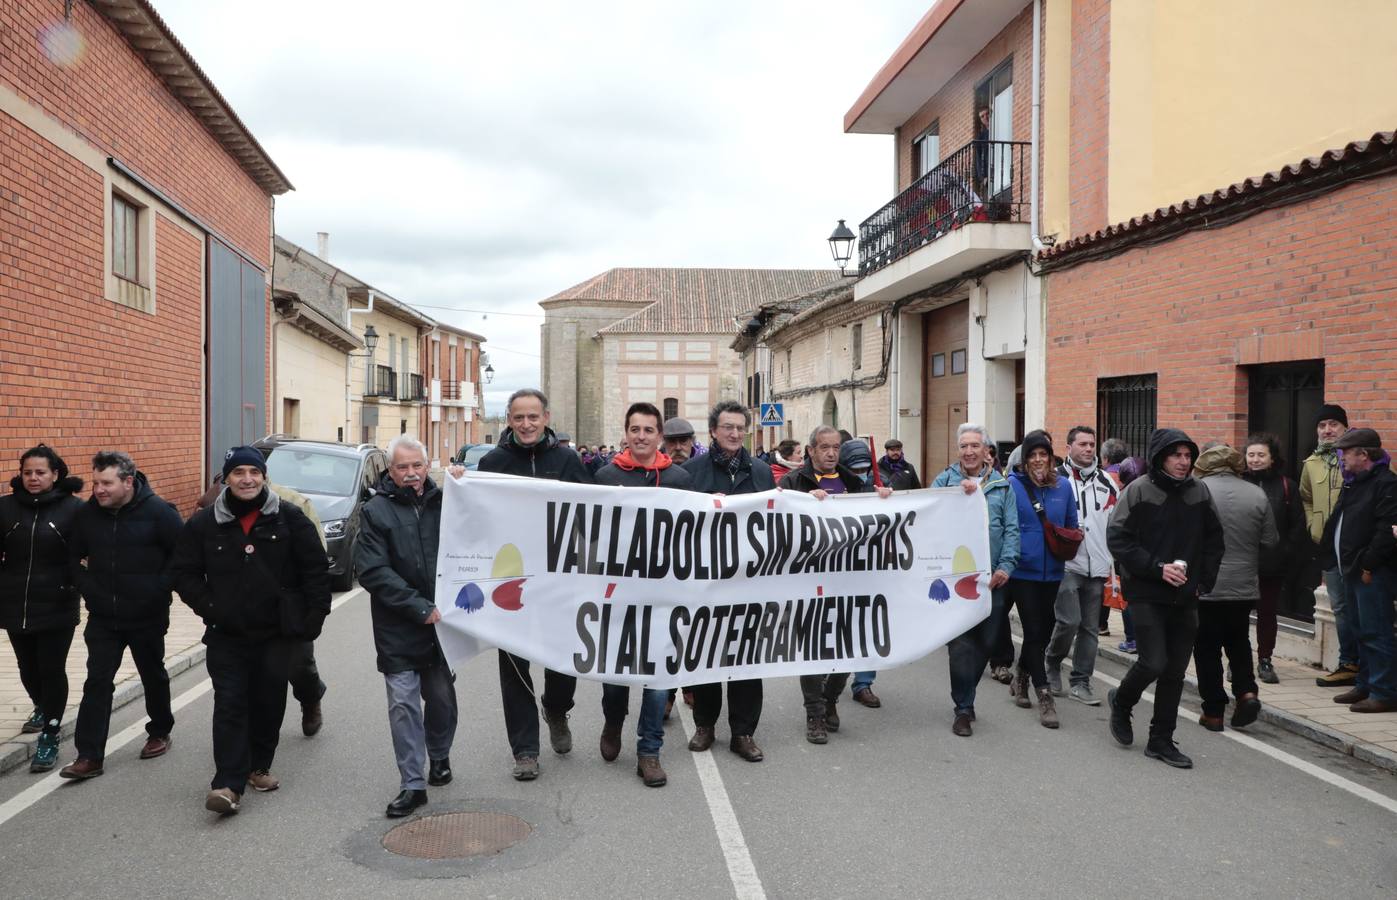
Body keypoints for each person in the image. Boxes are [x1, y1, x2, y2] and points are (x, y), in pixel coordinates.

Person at [171, 446, 331, 815]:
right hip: (226, 633)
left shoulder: (289, 518)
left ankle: (259, 766)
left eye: (253, 472)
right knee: (229, 702)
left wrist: (313, 618)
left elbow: (315, 570)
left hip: (276, 633)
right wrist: (211, 608)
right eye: (238, 472)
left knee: (267, 700)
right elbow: (183, 573)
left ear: (263, 477)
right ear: (226, 478)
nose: (247, 479)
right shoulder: (204, 523)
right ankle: (227, 782)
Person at [479, 388, 590, 781]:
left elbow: (590, 517)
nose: (526, 424)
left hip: (560, 583)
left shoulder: (568, 459)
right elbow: (475, 516)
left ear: (546, 417)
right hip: (511, 581)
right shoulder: (493, 462)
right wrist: (459, 483)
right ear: (509, 420)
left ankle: (557, 708)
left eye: (533, 417)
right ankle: (525, 750)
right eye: (518, 417)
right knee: (514, 667)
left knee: (564, 659)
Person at [59, 451, 183, 781]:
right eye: (96, 482)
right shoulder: (88, 515)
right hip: (103, 616)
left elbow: (181, 557)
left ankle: (159, 730)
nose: (98, 489)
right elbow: (73, 557)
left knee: (152, 673)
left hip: (147, 614)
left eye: (106, 483)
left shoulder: (160, 513)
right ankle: (89, 756)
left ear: (128, 482)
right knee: (97, 681)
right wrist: (87, 587)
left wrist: (158, 589)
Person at [1106, 428, 1224, 769]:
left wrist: (1205, 581)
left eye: (1188, 456)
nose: (1183, 462)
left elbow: (1215, 540)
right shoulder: (1138, 490)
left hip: (1186, 594)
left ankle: (1160, 739)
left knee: (1174, 671)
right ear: (1160, 457)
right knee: (1153, 662)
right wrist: (1157, 569)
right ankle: (1123, 702)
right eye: (1176, 456)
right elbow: (1118, 539)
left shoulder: (1199, 492)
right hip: (1145, 590)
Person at [355, 436, 461, 816]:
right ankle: (412, 784)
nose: (412, 473)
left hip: (441, 628)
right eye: (403, 467)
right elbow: (371, 570)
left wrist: (466, 484)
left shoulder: (447, 501)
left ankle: (440, 755)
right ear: (391, 469)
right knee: (403, 704)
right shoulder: (375, 511)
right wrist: (418, 607)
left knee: (442, 701)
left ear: (426, 464)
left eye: (417, 465)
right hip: (398, 625)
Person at [594, 402, 694, 787]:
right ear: (626, 432)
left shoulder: (680, 479)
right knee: (615, 676)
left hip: (665, 596)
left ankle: (649, 752)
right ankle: (613, 721)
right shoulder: (605, 476)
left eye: (648, 430)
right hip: (618, 595)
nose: (641, 436)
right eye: (634, 429)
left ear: (659, 436)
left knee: (659, 676)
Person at [778, 427, 893, 743]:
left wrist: (882, 500)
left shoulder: (856, 484)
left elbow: (876, 520)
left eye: (836, 448)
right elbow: (781, 524)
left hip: (849, 581)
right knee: (813, 649)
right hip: (809, 581)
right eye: (824, 448)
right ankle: (814, 713)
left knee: (848, 646)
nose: (831, 453)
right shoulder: (793, 484)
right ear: (810, 450)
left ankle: (831, 698)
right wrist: (803, 502)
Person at [683, 400, 774, 762]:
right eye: (727, 427)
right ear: (713, 432)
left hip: (751, 582)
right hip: (708, 581)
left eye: (740, 427)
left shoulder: (763, 472)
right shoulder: (691, 472)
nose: (735, 434)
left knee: (747, 659)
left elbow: (782, 516)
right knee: (707, 654)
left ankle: (744, 733)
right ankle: (705, 726)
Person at [0, 445, 85, 772]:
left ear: (55, 474)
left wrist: (82, 583)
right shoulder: (5, 508)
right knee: (26, 666)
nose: (33, 478)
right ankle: (40, 705)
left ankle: (50, 731)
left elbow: (91, 551)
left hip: (57, 601)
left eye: (40, 472)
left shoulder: (75, 510)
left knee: (51, 668)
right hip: (14, 601)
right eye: (28, 472)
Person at [932, 424, 1019, 736]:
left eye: (974, 446)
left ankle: (967, 695)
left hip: (992, 582)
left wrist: (1006, 566)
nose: (969, 452)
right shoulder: (944, 481)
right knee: (960, 646)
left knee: (985, 643)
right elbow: (927, 519)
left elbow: (1012, 529)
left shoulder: (1002, 486)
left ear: (986, 451)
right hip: (957, 583)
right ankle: (963, 708)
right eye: (963, 446)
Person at [1192, 444, 1278, 733]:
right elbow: (1270, 541)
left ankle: (1214, 711)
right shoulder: (1256, 492)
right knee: (1239, 641)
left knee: (1207, 647)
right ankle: (1247, 693)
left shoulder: (1198, 490)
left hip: (1207, 584)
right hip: (1244, 584)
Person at [1005, 431, 1078, 729]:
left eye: (1043, 454)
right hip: (1023, 571)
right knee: (1034, 629)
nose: (1038, 460)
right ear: (1025, 460)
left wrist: (1073, 538)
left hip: (1054, 570)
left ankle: (1021, 677)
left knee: (1044, 632)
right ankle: (1044, 693)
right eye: (1032, 455)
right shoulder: (1013, 485)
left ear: (1050, 457)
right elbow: (1005, 523)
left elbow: (1072, 523)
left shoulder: (1063, 487)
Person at [1321, 428, 1397, 713]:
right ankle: (1366, 684)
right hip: (1351, 570)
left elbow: (1385, 531)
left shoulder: (1386, 484)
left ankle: (1385, 691)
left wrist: (1367, 563)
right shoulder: (1354, 483)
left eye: (1345, 454)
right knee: (1361, 630)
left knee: (1376, 631)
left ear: (1363, 454)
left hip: (1372, 573)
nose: (1341, 460)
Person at [1044, 426, 1117, 706]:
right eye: (1083, 444)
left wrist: (1114, 565)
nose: (1088, 449)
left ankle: (1081, 681)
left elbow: (1116, 524)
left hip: (1097, 567)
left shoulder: (1108, 482)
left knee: (1089, 628)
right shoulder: (1056, 479)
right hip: (1065, 565)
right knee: (1069, 621)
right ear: (1069, 447)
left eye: (1092, 444)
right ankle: (1051, 661)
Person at [1243, 433, 1307, 684]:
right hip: (1240, 564)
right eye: (1251, 455)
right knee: (1237, 615)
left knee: (1267, 614)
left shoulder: (1287, 486)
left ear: (1272, 458)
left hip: (1272, 564)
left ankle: (1265, 659)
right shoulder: (1238, 482)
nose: (1255, 460)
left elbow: (1297, 525)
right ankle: (1240, 660)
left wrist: (1284, 552)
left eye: (1261, 455)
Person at [1303, 404, 1356, 687]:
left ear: (1344, 427)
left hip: (1357, 549)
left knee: (1361, 607)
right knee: (1340, 606)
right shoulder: (1311, 463)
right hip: (1329, 548)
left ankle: (1365, 666)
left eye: (1333, 424)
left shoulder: (1361, 458)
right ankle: (1348, 663)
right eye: (1322, 425)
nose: (1327, 430)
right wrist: (1314, 526)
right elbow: (1306, 497)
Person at [1097, 438, 1131, 636]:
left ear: (1106, 458)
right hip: (1127, 540)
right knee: (1124, 585)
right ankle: (1131, 635)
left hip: (1106, 538)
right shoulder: (1134, 476)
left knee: (1105, 581)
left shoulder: (1102, 478)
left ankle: (1101, 624)